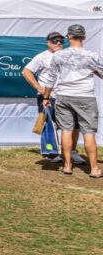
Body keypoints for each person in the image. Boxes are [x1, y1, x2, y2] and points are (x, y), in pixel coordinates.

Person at [42, 24, 103, 178]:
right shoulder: (92, 56)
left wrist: (46, 97)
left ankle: (67, 166)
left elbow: (50, 79)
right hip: (85, 97)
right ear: (84, 37)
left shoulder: (58, 55)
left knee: (66, 130)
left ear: (68, 37)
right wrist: (94, 71)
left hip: (64, 96)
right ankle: (94, 169)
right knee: (88, 132)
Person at [22, 32, 83, 164]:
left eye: (61, 41)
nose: (59, 43)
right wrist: (39, 88)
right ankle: (51, 153)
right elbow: (26, 71)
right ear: (48, 43)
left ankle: (72, 152)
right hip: (49, 97)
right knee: (50, 125)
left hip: (68, 95)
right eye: (55, 41)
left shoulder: (68, 55)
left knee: (74, 126)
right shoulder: (42, 57)